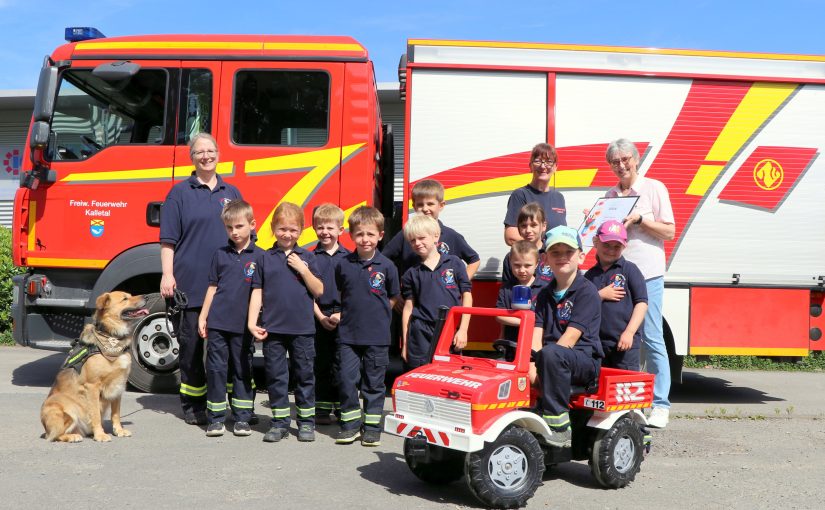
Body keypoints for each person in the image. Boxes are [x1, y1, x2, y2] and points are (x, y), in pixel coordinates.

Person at [159, 132, 242, 425]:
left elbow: (244, 238)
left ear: (219, 154)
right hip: (191, 284)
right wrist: (167, 275)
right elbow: (168, 240)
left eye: (210, 151)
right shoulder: (179, 193)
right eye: (199, 152)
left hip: (229, 286)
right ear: (191, 159)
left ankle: (235, 407)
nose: (206, 156)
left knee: (231, 350)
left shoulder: (231, 192)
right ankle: (193, 405)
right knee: (192, 348)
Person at [604, 138, 675, 428]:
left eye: (625, 159)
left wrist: (641, 220)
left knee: (652, 337)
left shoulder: (653, 188)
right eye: (615, 162)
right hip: (619, 274)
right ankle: (625, 399)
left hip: (648, 274)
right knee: (617, 335)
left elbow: (669, 231)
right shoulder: (610, 195)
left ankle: (660, 405)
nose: (621, 165)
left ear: (636, 159)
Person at [248, 202, 324, 443]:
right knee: (276, 377)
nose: (287, 234)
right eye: (282, 229)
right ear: (273, 228)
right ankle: (279, 423)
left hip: (302, 330)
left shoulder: (308, 257)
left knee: (304, 376)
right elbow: (257, 292)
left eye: (293, 229)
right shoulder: (264, 258)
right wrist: (252, 323)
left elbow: (319, 290)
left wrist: (303, 269)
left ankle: (305, 424)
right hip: (273, 330)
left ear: (301, 230)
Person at [531, 226, 603, 447]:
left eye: (568, 252)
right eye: (555, 252)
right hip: (552, 358)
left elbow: (570, 339)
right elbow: (537, 332)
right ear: (545, 259)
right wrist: (531, 362)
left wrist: (541, 365)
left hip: (582, 361)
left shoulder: (587, 292)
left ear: (581, 256)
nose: (562, 257)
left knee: (552, 354)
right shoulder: (543, 294)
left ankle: (559, 427)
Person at [334, 206, 400, 447]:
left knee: (373, 383)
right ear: (351, 235)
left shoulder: (387, 267)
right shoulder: (343, 264)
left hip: (377, 337)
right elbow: (342, 293)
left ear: (380, 236)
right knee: (346, 379)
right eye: (360, 234)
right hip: (348, 336)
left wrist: (378, 316)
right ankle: (350, 425)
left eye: (371, 234)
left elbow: (393, 298)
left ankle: (371, 427)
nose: (365, 239)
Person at [197, 200, 261, 437]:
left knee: (242, 369)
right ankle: (215, 418)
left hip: (243, 326)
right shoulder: (220, 255)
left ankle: (242, 418)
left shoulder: (260, 257)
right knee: (215, 369)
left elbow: (261, 293)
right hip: (218, 323)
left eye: (239, 226)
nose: (234, 232)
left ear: (252, 225)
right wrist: (203, 316)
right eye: (229, 227)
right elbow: (212, 287)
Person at [400, 215, 472, 369]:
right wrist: (405, 343)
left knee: (448, 375)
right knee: (420, 374)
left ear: (435, 237)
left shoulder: (455, 263)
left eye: (421, 238)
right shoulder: (411, 273)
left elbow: (467, 296)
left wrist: (463, 329)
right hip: (420, 333)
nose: (417, 243)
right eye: (412, 240)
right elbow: (408, 308)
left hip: (449, 329)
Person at [383, 179, 480, 279]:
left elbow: (474, 260)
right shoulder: (405, 235)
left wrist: (461, 284)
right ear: (414, 207)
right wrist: (394, 288)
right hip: (412, 294)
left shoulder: (451, 235)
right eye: (420, 205)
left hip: (444, 294)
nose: (425, 209)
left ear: (441, 205)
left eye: (430, 204)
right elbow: (384, 259)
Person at [584, 220, 648, 370]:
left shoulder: (630, 270)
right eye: (606, 245)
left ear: (624, 246)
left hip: (625, 344)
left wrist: (629, 332)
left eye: (616, 246)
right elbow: (582, 306)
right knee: (599, 388)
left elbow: (642, 303)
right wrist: (599, 295)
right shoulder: (589, 276)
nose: (611, 250)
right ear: (596, 242)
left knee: (624, 387)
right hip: (597, 345)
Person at [311, 203, 350, 425]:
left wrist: (341, 314)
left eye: (330, 228)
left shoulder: (349, 258)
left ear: (341, 231)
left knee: (343, 364)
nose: (325, 232)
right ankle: (322, 408)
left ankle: (343, 407)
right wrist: (320, 317)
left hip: (344, 317)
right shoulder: (310, 257)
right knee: (321, 363)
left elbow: (354, 292)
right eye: (320, 227)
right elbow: (306, 294)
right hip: (319, 316)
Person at [503, 143, 566, 246]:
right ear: (530, 166)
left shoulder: (559, 198)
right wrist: (542, 250)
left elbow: (561, 235)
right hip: (532, 260)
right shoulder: (520, 195)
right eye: (537, 161)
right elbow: (511, 236)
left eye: (549, 162)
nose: (543, 166)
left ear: (555, 167)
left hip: (553, 261)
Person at [495, 240, 548, 341]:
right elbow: (499, 315)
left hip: (537, 342)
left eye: (527, 265)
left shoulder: (545, 288)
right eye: (517, 265)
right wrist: (525, 322)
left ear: (537, 264)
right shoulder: (506, 288)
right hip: (511, 342)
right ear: (510, 263)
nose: (522, 270)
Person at [501, 202, 553, 285]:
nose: (528, 230)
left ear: (543, 226)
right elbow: (506, 290)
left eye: (533, 225)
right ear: (518, 228)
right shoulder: (511, 257)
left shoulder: (551, 255)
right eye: (524, 226)